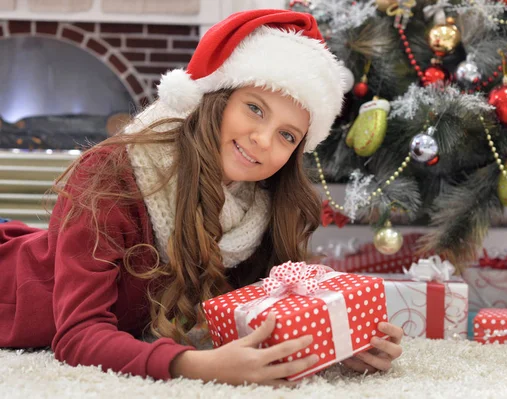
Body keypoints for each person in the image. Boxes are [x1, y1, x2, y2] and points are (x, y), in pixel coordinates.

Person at [0, 9, 404, 387]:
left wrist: (340, 341)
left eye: (287, 135)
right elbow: (77, 336)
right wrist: (197, 366)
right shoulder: (114, 172)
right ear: (216, 99)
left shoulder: (259, 209)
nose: (262, 140)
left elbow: (272, 311)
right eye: (254, 108)